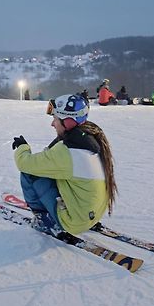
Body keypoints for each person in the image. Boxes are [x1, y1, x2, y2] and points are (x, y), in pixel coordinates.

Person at [11, 94, 118, 237]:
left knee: (29, 174)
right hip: (92, 213)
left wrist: (22, 147)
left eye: (55, 119)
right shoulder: (90, 138)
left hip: (75, 221)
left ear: (67, 122)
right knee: (51, 172)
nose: (52, 124)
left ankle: (45, 221)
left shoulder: (68, 151)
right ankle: (82, 216)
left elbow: (25, 164)